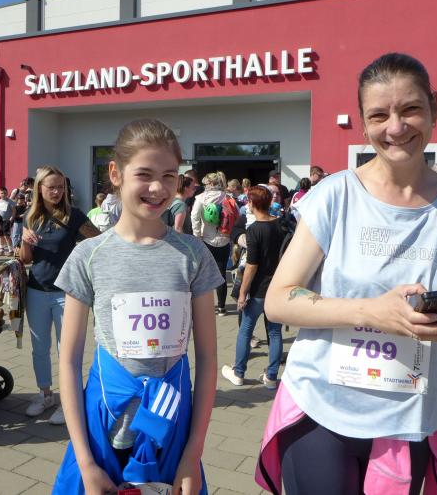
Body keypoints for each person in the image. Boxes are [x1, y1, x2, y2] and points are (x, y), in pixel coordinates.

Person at [254, 53, 437, 495]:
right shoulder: (335, 196)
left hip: (409, 419)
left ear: (434, 108)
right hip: (322, 409)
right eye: (379, 115)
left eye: (410, 109)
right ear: (362, 123)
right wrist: (372, 312)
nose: (396, 127)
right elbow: (278, 300)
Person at [52, 119, 222, 494]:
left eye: (169, 176)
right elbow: (69, 360)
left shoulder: (193, 255)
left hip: (171, 428)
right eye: (144, 174)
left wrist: (193, 453)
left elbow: (209, 358)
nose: (158, 188)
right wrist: (85, 462)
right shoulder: (88, 256)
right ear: (116, 173)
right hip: (103, 429)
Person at [20, 166, 99, 425]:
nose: (56, 192)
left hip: (67, 293)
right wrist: (25, 241)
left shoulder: (74, 215)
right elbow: (25, 259)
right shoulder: (31, 216)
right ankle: (45, 395)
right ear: (39, 189)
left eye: (60, 187)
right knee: (39, 348)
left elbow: (99, 241)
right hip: (37, 290)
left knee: (67, 351)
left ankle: (69, 402)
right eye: (51, 187)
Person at [222, 186, 286, 389]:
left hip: (258, 289)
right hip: (277, 288)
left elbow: (252, 265)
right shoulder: (281, 225)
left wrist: (242, 292)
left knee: (246, 330)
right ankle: (271, 376)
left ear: (252, 203)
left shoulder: (254, 230)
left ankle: (238, 372)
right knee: (274, 332)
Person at [191, 171, 233, 317]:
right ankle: (222, 307)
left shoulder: (201, 198)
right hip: (224, 239)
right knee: (221, 273)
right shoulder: (227, 197)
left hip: (206, 240)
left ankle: (207, 306)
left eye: (205, 183)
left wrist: (197, 235)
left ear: (210, 183)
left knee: (205, 274)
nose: (204, 185)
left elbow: (194, 217)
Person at [0, 186, 15, 256]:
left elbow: (14, 211)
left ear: (7, 193)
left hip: (7, 221)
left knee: (6, 236)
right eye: (2, 193)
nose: (3, 194)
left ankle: (11, 250)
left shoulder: (10, 202)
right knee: (0, 235)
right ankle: (1, 250)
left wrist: (11, 219)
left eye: (5, 193)